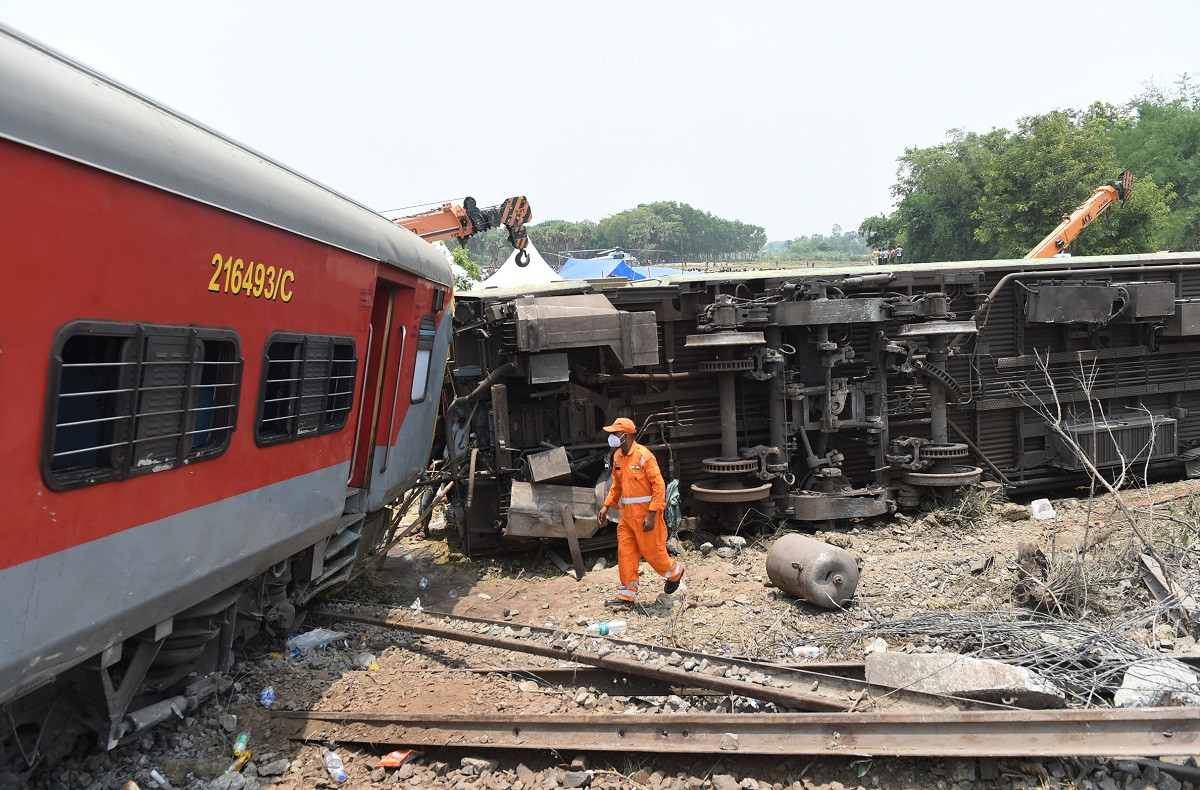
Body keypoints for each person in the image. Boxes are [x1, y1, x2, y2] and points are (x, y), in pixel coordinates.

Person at [597, 417, 684, 606]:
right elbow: (617, 485)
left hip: (646, 517)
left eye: (614, 433)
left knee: (653, 554)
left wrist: (652, 514)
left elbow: (659, 486)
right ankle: (626, 596)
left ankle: (675, 571)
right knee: (626, 554)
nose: (611, 437)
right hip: (627, 517)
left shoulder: (644, 455)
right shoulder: (618, 457)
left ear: (625, 436)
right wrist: (606, 505)